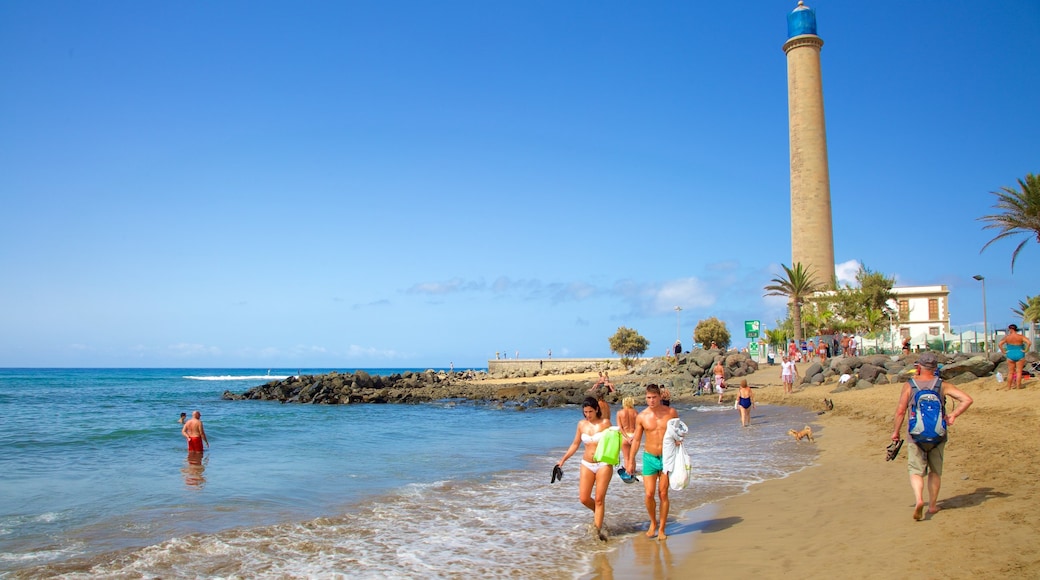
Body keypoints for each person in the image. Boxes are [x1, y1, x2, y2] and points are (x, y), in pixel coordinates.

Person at [891, 352, 973, 521]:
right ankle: (933, 505)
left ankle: (919, 499)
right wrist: (953, 415)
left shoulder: (910, 385)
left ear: (918, 367)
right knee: (935, 471)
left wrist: (895, 432)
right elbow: (967, 399)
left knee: (916, 471)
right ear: (935, 368)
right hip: (938, 435)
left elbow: (900, 411)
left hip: (916, 435)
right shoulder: (942, 385)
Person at [624, 384, 680, 539]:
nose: (651, 400)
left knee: (663, 494)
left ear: (660, 397)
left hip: (667, 458)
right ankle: (653, 522)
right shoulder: (641, 416)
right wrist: (630, 460)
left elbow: (679, 432)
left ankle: (661, 529)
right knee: (649, 494)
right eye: (648, 397)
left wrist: (679, 441)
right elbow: (636, 440)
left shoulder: (671, 413)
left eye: (654, 397)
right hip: (649, 457)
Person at [557, 396, 614, 541]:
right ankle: (599, 514)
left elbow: (614, 443)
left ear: (596, 409)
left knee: (600, 499)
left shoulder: (605, 423)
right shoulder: (581, 425)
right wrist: (562, 460)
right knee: (583, 498)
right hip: (587, 464)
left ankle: (598, 532)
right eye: (585, 412)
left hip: (604, 464)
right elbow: (575, 444)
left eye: (590, 412)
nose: (588, 415)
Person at [999, 324, 1032, 390]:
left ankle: (1008, 387)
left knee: (1010, 372)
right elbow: (1029, 342)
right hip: (1020, 353)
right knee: (1019, 371)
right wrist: (1026, 350)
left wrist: (1003, 351)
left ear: (1010, 329)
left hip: (1010, 353)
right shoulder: (1020, 336)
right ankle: (1018, 387)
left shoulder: (1007, 337)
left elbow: (999, 344)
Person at [617, 396, 639, 475]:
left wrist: (627, 437)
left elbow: (620, 427)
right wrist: (632, 437)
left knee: (626, 457)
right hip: (634, 435)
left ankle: (628, 473)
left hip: (624, 436)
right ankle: (633, 472)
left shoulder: (620, 413)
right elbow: (638, 427)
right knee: (632, 457)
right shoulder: (635, 412)